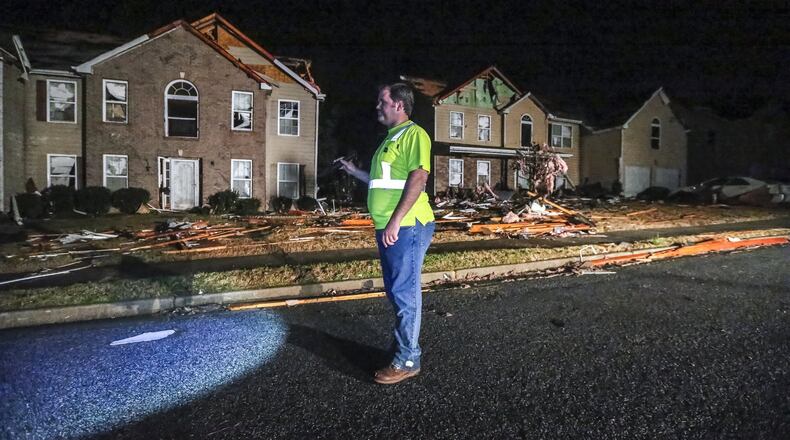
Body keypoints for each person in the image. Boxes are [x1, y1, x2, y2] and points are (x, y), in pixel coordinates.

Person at [338, 83, 435, 385]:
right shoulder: (388, 140)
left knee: (405, 291)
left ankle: (408, 358)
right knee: (397, 290)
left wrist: (395, 221)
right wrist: (355, 172)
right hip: (391, 225)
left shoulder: (414, 134)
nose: (377, 107)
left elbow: (419, 178)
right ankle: (403, 346)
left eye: (382, 101)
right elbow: (382, 183)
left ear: (398, 105)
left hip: (407, 225)